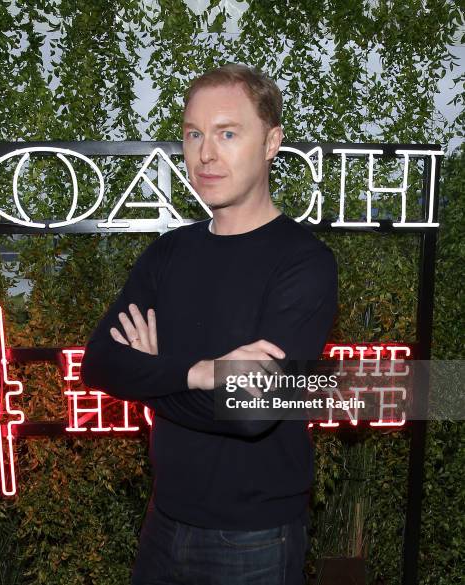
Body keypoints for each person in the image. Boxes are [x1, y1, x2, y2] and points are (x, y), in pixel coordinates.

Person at [81, 64, 338, 585]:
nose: (204, 154)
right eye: (194, 134)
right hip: (162, 520)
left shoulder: (304, 262)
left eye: (226, 133)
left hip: (254, 538)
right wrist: (200, 372)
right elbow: (99, 363)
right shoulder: (168, 252)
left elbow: (252, 413)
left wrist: (151, 376)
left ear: (271, 143)